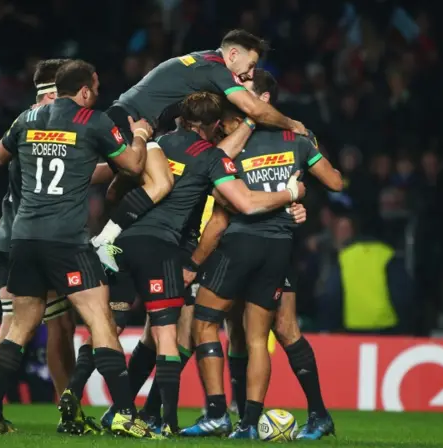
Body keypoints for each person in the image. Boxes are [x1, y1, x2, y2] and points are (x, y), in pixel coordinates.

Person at [0, 60, 156, 439]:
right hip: (67, 241)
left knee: (20, 328)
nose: (99, 93)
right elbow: (134, 167)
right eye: (97, 86)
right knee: (100, 320)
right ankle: (124, 413)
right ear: (85, 91)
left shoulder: (28, 117)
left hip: (23, 238)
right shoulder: (94, 120)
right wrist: (138, 134)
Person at [107, 91, 305, 437]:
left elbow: (119, 186)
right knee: (172, 336)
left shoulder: (168, 145)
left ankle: (144, 411)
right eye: (225, 122)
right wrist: (291, 195)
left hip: (184, 249)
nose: (226, 128)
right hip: (189, 251)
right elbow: (228, 210)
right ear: (216, 123)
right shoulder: (215, 156)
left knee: (165, 335)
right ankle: (155, 413)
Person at [183, 69, 343, 440]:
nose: (237, 98)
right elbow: (333, 182)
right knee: (244, 333)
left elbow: (224, 204)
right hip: (277, 246)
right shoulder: (288, 138)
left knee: (277, 328)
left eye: (246, 93)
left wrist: (300, 201)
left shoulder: (251, 143)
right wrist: (296, 192)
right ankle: (247, 421)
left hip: (245, 243)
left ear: (264, 100)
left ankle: (245, 416)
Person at [91, 29, 307, 271]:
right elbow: (253, 108)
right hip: (132, 122)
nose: (250, 73)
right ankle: (103, 240)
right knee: (162, 182)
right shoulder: (216, 69)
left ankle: (100, 230)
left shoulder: (202, 62)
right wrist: (292, 123)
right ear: (233, 54)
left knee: (106, 178)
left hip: (124, 117)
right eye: (251, 65)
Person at [0, 59, 78, 433]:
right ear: (54, 92)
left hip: (12, 236)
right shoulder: (45, 123)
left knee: (39, 325)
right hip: (33, 237)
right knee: (42, 326)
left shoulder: (23, 122)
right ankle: (65, 408)